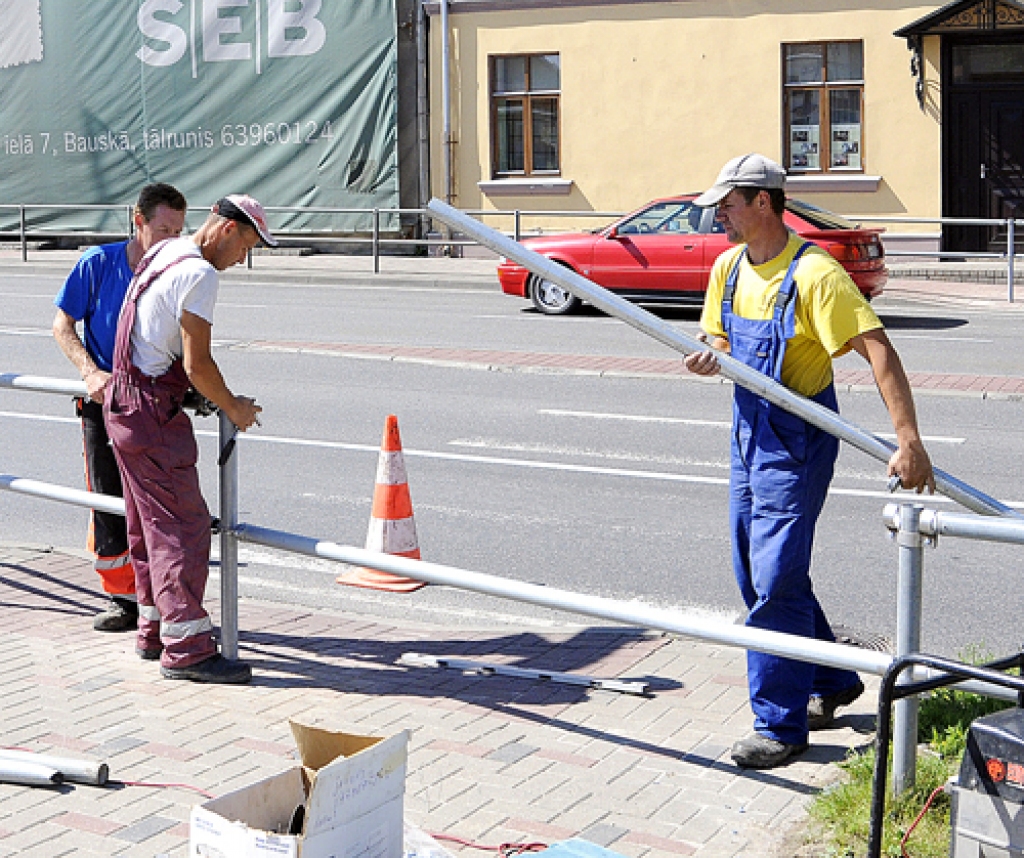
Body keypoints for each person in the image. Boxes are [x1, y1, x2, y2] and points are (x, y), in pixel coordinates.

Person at [684, 154, 935, 769]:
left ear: (763, 202)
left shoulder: (815, 275)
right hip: (748, 433)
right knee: (760, 573)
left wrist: (909, 441)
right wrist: (708, 353)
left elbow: (877, 349)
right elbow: (716, 335)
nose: (720, 213)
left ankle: (780, 726)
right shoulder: (728, 267)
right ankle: (832, 679)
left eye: (729, 203)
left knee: (773, 581)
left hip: (797, 438)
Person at [103, 195, 275, 684]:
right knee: (183, 525)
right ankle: (188, 649)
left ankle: (153, 627)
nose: (244, 258)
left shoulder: (165, 250)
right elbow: (198, 364)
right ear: (224, 230)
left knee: (146, 522)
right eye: (246, 245)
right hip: (151, 412)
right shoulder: (201, 274)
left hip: (124, 398)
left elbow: (149, 328)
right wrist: (233, 406)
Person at [53, 183, 188, 633]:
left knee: (156, 503)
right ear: (139, 221)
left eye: (179, 231)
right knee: (109, 500)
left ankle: (158, 599)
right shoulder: (98, 264)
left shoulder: (175, 271)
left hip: (153, 404)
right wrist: (90, 373)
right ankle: (121, 597)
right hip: (104, 401)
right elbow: (62, 325)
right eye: (164, 229)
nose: (172, 240)